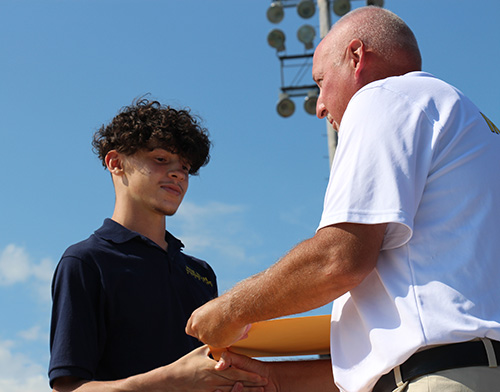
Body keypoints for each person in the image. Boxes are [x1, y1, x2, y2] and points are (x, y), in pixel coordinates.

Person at [186, 6, 500, 392]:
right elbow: (416, 340)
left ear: (356, 57)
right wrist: (268, 377)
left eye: (320, 81)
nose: (319, 106)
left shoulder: (385, 95)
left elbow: (339, 259)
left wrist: (230, 309)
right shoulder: (473, 128)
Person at [48, 98, 267, 392]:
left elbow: (207, 370)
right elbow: (68, 389)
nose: (178, 173)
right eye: (161, 159)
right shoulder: (85, 262)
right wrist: (173, 381)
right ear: (116, 163)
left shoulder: (201, 272)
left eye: (186, 167)